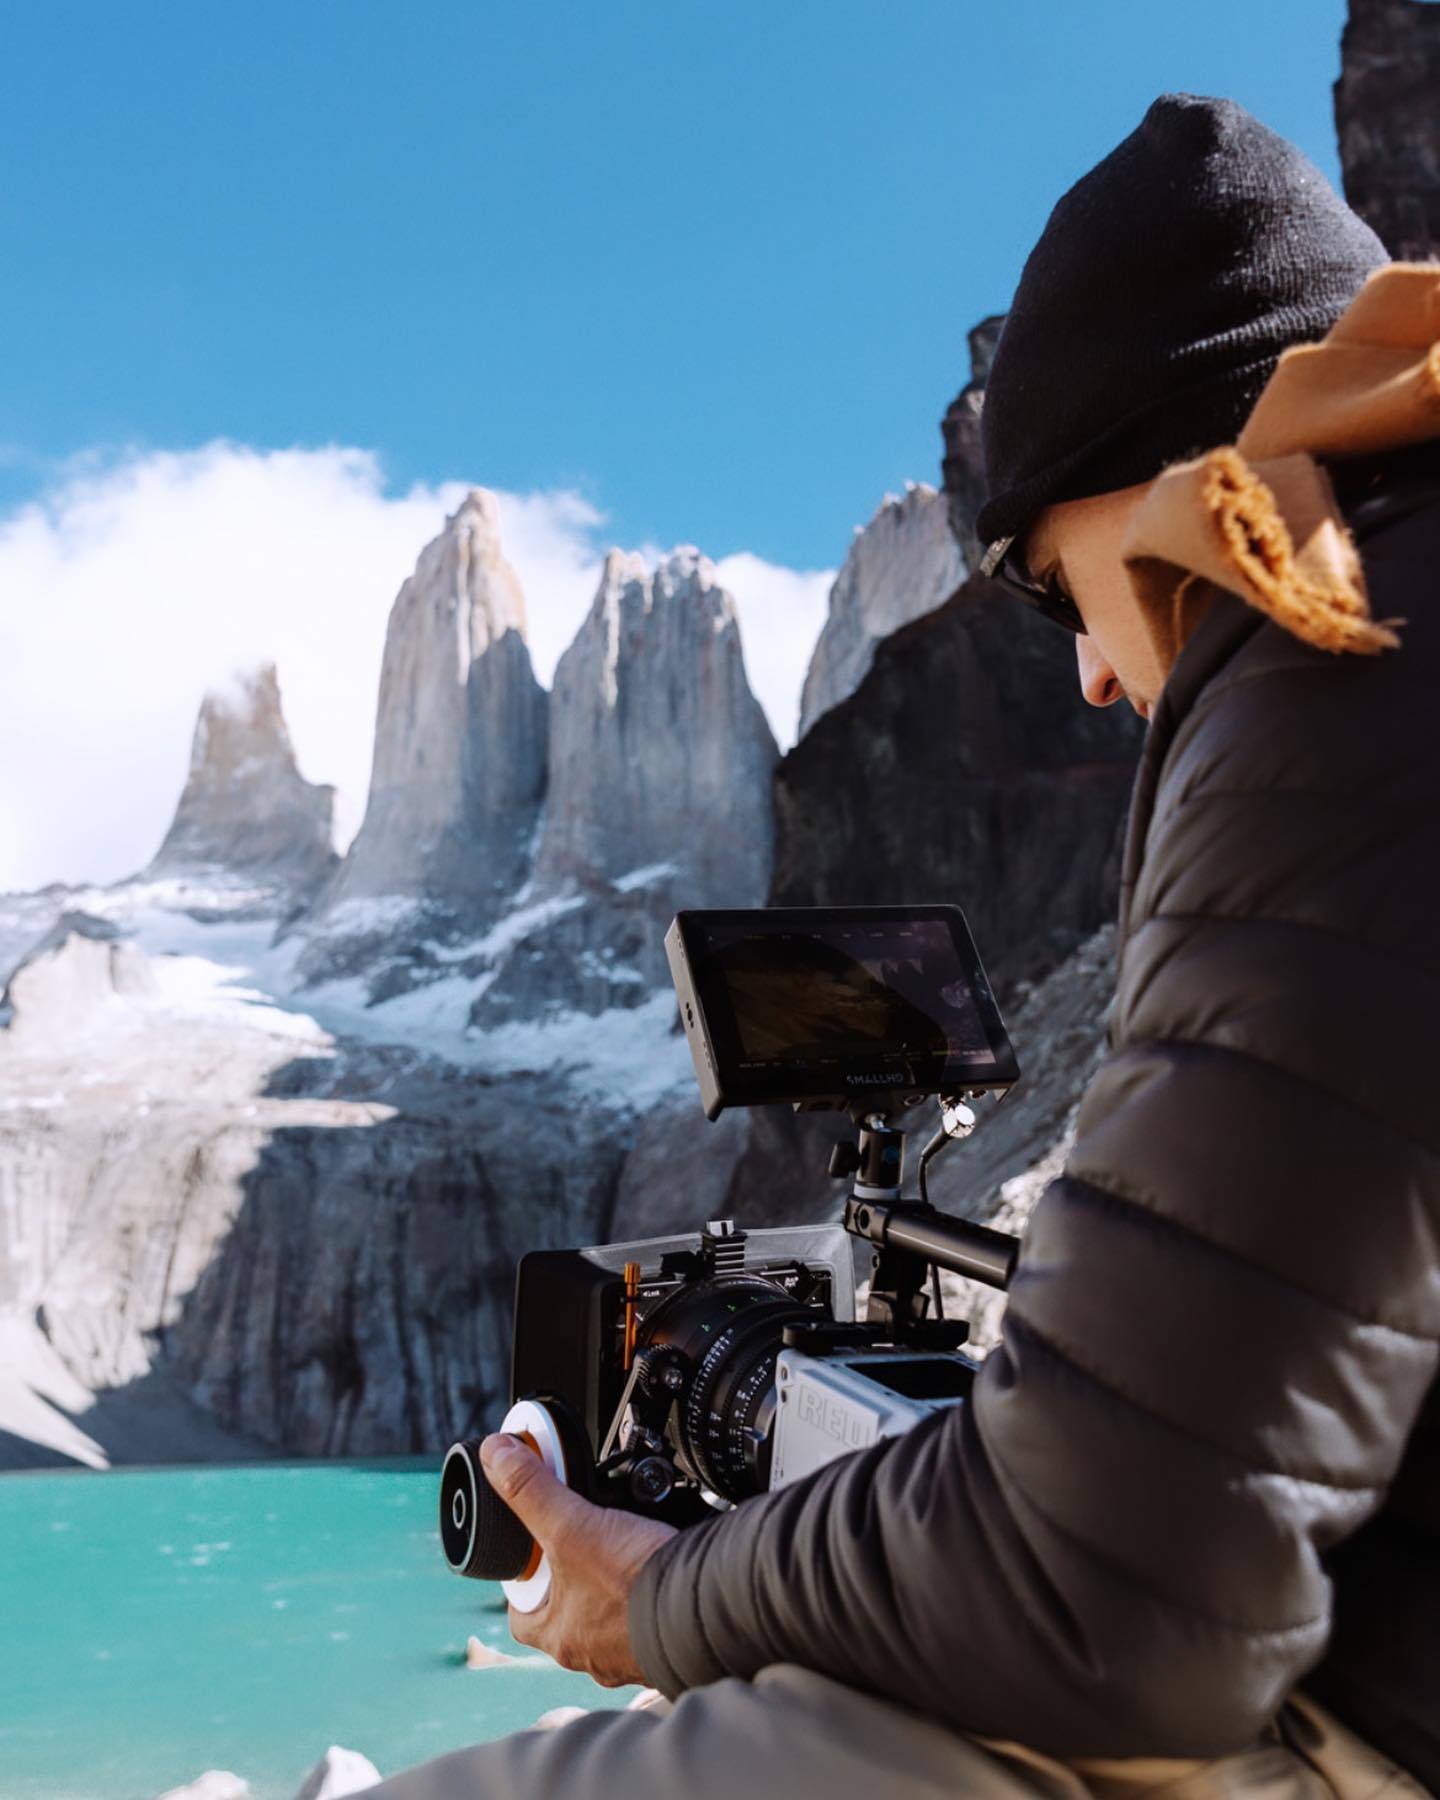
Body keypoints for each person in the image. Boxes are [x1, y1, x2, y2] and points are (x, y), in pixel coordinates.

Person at [372, 97, 1440, 1798]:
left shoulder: (1341, 654)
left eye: (1041, 581)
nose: (1090, 672)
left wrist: (666, 1602)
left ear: (1164, 473)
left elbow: (1110, 1595)